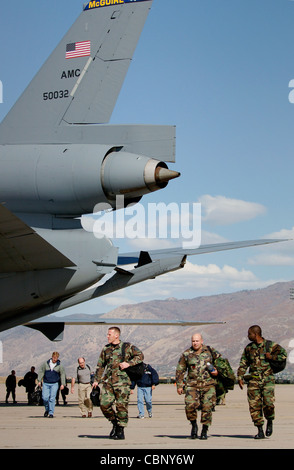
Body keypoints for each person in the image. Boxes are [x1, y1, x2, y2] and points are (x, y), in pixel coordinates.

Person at [92, 326, 144, 440]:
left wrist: (128, 363)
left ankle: (120, 430)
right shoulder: (106, 349)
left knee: (121, 407)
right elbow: (101, 365)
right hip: (109, 382)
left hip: (122, 382)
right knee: (104, 404)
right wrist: (96, 380)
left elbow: (140, 356)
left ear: (116, 335)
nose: (107, 336)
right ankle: (115, 422)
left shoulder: (127, 347)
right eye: (107, 334)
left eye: (109, 334)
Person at [237, 325, 287, 439]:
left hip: (267, 380)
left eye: (249, 334)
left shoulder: (270, 345)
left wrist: (272, 357)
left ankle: (270, 420)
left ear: (256, 334)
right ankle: (259, 430)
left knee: (268, 404)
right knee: (254, 406)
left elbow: (283, 355)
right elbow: (243, 363)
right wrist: (240, 377)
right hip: (254, 380)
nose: (248, 336)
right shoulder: (249, 348)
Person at [176, 333, 221, 440]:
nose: (195, 343)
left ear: (201, 341)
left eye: (197, 341)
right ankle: (194, 425)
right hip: (192, 385)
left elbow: (221, 363)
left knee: (207, 407)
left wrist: (217, 371)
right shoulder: (187, 354)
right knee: (190, 406)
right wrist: (179, 385)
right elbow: (180, 369)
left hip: (208, 385)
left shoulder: (210, 351)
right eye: (193, 341)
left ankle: (205, 429)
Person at [37, 351, 66, 418]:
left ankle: (51, 412)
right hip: (46, 383)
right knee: (45, 398)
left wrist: (62, 384)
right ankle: (47, 409)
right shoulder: (46, 364)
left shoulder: (59, 365)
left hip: (54, 384)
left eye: (56, 358)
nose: (54, 359)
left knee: (52, 398)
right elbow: (41, 371)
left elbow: (62, 374)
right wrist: (39, 380)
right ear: (52, 357)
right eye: (54, 357)